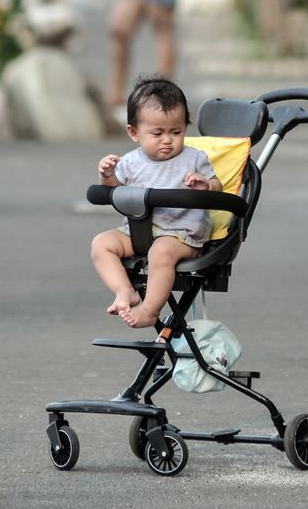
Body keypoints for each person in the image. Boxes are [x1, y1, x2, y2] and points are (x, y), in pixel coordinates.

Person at [91, 78, 220, 329]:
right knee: (101, 244)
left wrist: (206, 185)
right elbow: (113, 191)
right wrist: (106, 175)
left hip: (180, 234)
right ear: (134, 133)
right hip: (139, 230)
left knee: (160, 252)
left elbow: (218, 186)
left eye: (176, 132)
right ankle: (125, 291)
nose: (167, 140)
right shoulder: (129, 162)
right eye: (157, 133)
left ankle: (149, 310)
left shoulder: (194, 159)